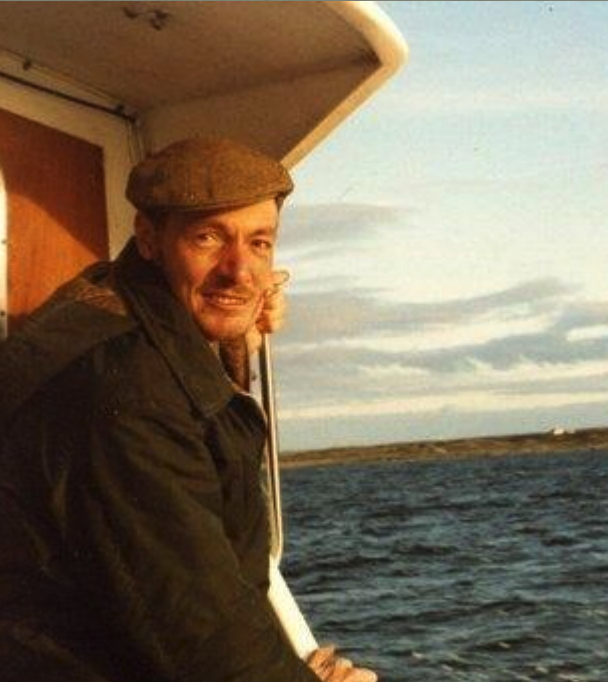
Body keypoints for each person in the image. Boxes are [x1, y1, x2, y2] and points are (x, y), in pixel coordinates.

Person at [0, 138, 376, 682]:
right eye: (208, 237)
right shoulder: (130, 397)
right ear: (149, 238)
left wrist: (232, 337)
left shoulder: (110, 304)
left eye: (260, 244)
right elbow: (202, 639)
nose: (240, 271)